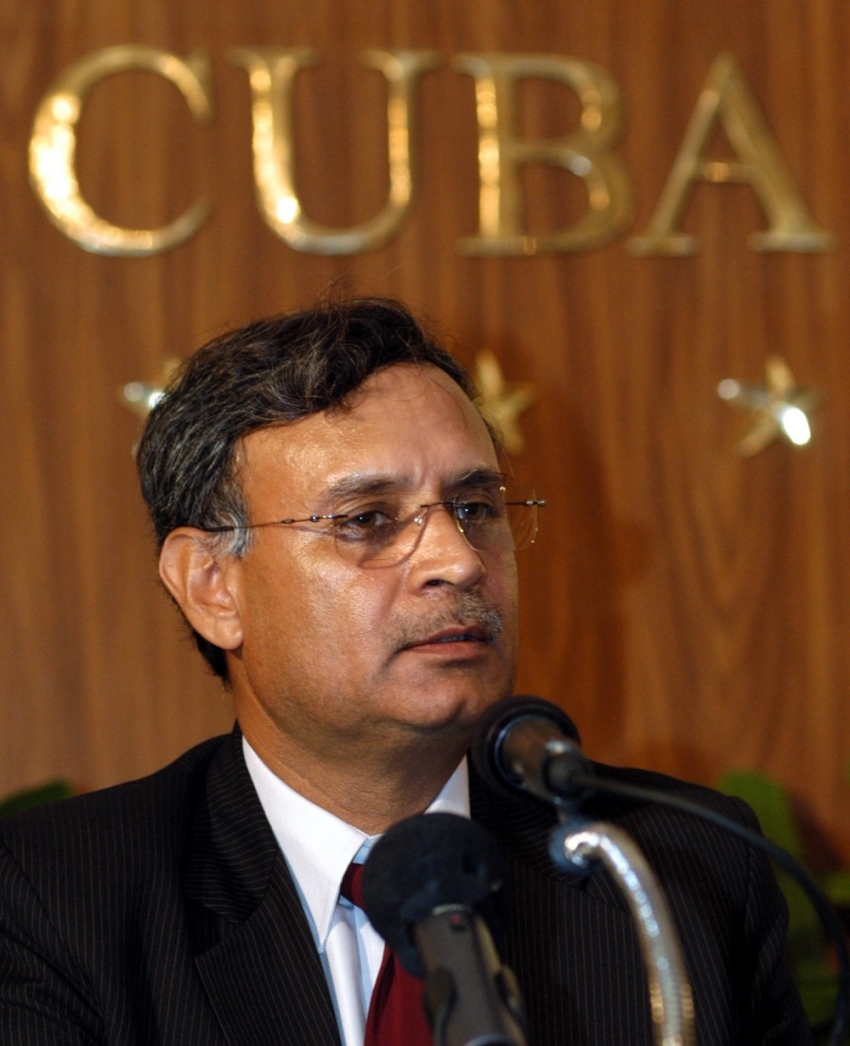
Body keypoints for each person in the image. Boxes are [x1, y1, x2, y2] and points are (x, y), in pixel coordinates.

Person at [0, 298, 810, 1045]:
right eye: (366, 521)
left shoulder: (683, 875)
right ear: (214, 586)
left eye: (476, 508)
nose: (457, 561)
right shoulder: (55, 901)